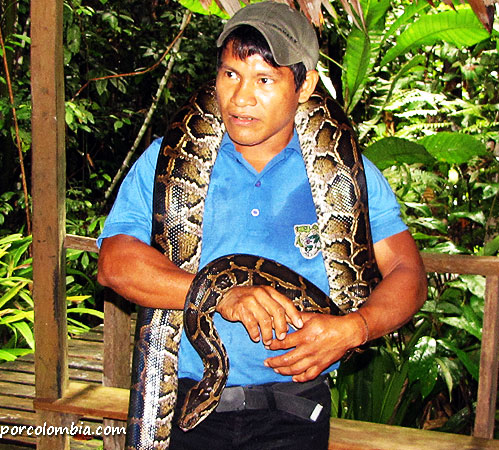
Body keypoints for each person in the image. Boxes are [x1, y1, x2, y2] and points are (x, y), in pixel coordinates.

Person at [97, 2, 427, 449]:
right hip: (189, 405)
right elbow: (115, 263)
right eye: (230, 74)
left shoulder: (349, 172)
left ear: (305, 84)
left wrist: (357, 327)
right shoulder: (165, 158)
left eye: (264, 79)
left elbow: (408, 274)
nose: (240, 98)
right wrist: (220, 294)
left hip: (295, 412)